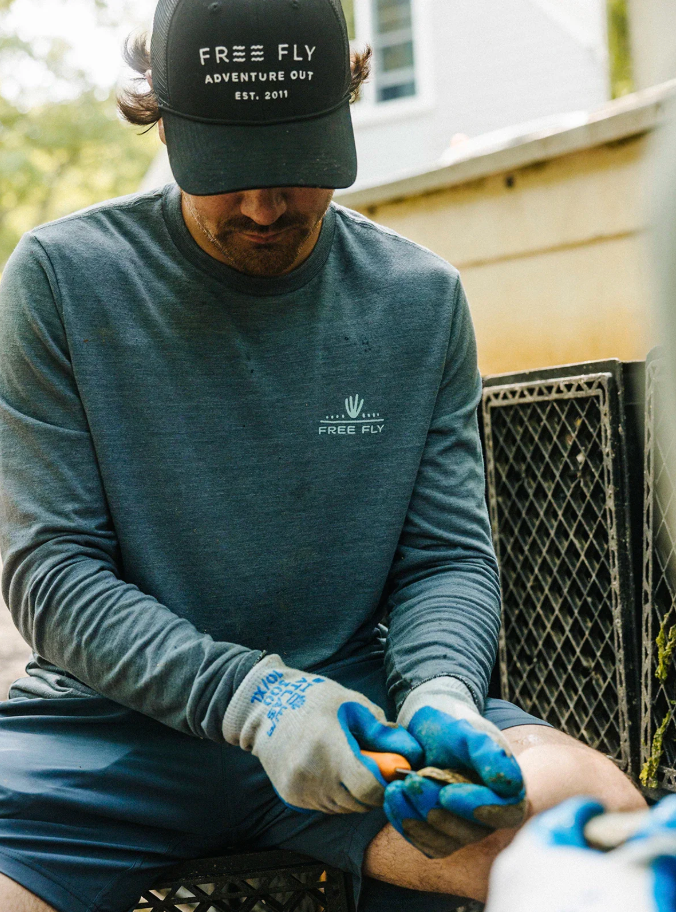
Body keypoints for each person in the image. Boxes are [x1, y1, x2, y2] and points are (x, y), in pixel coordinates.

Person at [0, 1, 645, 910]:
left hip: (363, 726)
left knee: (603, 834)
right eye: (230, 170)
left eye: (299, 166)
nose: (266, 205)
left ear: (345, 104)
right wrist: (253, 699)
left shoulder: (418, 299)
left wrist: (442, 696)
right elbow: (52, 571)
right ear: (165, 119)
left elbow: (446, 558)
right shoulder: (61, 280)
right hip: (112, 729)